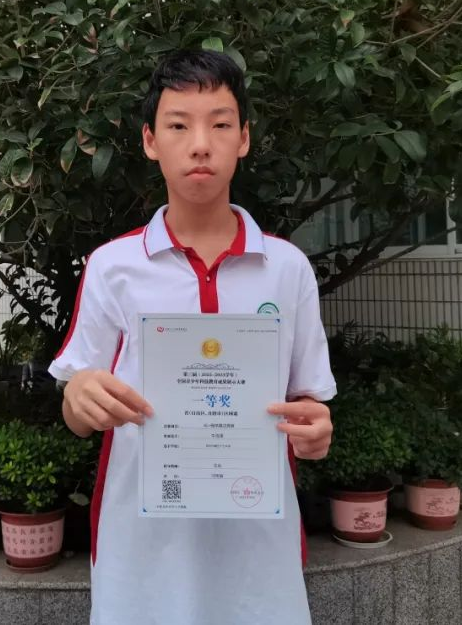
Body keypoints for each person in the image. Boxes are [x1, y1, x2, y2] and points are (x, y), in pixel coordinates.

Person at [49, 50, 337, 624]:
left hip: (258, 548)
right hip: (143, 551)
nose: (200, 144)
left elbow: (309, 399)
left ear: (244, 138)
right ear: (150, 141)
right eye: (179, 125)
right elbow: (76, 412)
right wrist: (79, 396)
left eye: (220, 124)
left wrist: (316, 430)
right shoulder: (114, 267)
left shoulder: (286, 269)